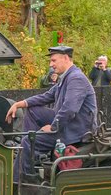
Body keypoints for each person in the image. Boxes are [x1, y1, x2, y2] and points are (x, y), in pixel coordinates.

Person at [8, 43, 97, 180]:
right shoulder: (66, 78)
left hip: (76, 131)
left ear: (66, 58)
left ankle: (19, 181)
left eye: (53, 60)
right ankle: (31, 155)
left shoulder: (76, 78)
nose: (51, 64)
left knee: (27, 142)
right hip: (68, 125)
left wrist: (53, 127)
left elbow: (70, 109)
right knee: (32, 111)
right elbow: (46, 97)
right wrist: (20, 104)